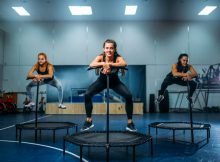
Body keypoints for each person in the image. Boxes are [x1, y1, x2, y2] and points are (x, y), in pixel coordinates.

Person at [81, 39, 137, 132]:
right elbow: (92, 64)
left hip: (115, 82)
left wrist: (110, 65)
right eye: (107, 48)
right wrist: (103, 63)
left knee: (128, 96)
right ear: (103, 49)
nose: (109, 50)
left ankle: (130, 123)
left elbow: (124, 63)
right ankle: (88, 121)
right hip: (101, 81)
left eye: (111, 48)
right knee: (87, 94)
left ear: (114, 49)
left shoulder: (117, 57)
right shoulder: (101, 56)